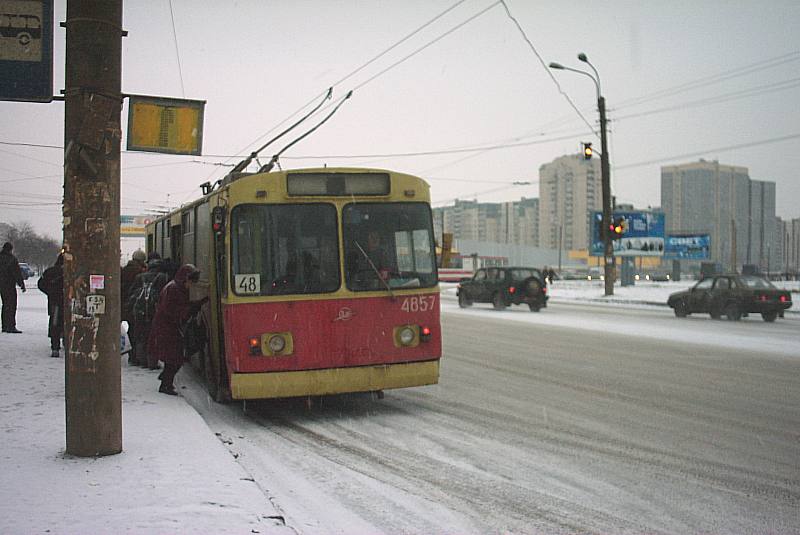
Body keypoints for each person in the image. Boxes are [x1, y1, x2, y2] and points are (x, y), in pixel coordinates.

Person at [147, 264, 206, 395]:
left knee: (173, 358)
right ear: (185, 279)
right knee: (174, 358)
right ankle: (166, 384)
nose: (191, 285)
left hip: (167, 328)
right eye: (190, 282)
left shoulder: (174, 287)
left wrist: (195, 305)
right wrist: (191, 309)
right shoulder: (174, 290)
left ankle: (166, 379)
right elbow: (174, 310)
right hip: (167, 329)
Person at [127, 253, 168, 369]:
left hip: (140, 311)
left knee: (140, 335)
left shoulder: (140, 277)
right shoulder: (162, 277)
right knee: (153, 336)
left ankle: (141, 360)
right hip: (155, 311)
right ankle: (152, 362)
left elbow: (131, 293)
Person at [121, 250, 147, 363]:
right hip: (134, 305)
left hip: (123, 304)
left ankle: (129, 352)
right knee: (135, 330)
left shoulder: (124, 270)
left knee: (129, 329)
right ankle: (134, 355)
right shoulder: (139, 272)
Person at [38, 253, 64, 357]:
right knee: (68, 323)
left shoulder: (50, 271)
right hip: (68, 302)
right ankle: (66, 342)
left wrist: (50, 292)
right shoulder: (71, 271)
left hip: (54, 302)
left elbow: (41, 284)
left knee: (55, 324)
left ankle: (55, 347)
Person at [0, 242, 26, 333]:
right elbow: (17, 273)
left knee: (5, 305)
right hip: (9, 285)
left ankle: (4, 326)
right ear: (10, 250)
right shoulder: (11, 259)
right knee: (11, 305)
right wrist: (21, 284)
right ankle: (11, 326)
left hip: (1, 285)